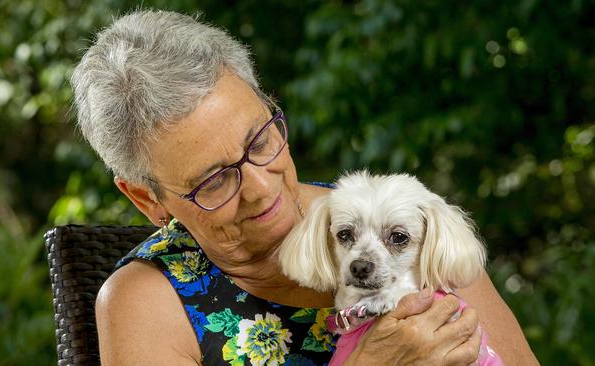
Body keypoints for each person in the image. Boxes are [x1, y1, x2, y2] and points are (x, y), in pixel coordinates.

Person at [71, 10, 538, 365]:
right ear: (147, 198)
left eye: (260, 139)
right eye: (214, 180)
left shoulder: (400, 223)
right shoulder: (145, 303)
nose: (259, 186)